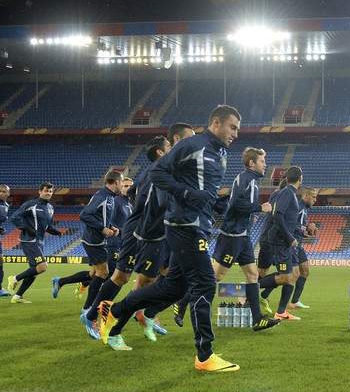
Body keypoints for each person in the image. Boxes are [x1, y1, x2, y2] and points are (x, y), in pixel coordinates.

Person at [99, 105, 242, 372]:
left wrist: (218, 204)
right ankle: (204, 356)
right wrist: (186, 195)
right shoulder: (193, 145)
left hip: (197, 224)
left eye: (238, 129)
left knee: (173, 288)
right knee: (205, 284)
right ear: (216, 122)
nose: (236, 133)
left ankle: (115, 311)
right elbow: (157, 173)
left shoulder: (220, 153)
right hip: (184, 225)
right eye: (232, 127)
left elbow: (204, 192)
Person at [91, 126, 195, 348]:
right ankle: (111, 325)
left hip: (165, 234)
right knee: (139, 283)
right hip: (151, 234)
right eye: (190, 138)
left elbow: (134, 193)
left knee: (170, 282)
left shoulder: (172, 168)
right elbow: (151, 203)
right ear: (173, 143)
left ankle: (146, 314)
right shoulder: (161, 169)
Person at [210, 146, 279, 331]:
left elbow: (239, 204)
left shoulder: (253, 180)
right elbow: (235, 203)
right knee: (217, 276)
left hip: (243, 236)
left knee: (252, 275)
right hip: (232, 235)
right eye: (262, 161)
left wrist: (250, 214)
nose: (265, 165)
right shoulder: (245, 178)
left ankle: (257, 319)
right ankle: (184, 300)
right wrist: (258, 208)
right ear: (251, 163)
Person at [71, 171, 123, 339]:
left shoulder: (108, 197)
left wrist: (111, 226)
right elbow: (84, 214)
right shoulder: (102, 196)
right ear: (114, 182)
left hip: (99, 240)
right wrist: (102, 229)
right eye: (121, 183)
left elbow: (102, 217)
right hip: (94, 240)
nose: (122, 186)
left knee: (100, 273)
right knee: (103, 273)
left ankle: (88, 309)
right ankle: (88, 312)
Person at [257, 166, 303, 321]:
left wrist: (297, 231)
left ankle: (281, 311)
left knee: (294, 274)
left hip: (286, 241)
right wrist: (290, 237)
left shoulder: (288, 193)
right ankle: (249, 289)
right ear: (300, 179)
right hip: (280, 241)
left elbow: (285, 217)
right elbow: (277, 215)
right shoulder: (288, 193)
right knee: (285, 277)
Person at [6, 182, 62, 303]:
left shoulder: (50, 208)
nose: (48, 193)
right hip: (29, 240)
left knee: (34, 272)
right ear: (40, 191)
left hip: (39, 241)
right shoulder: (31, 205)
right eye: (46, 190)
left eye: (50, 191)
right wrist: (27, 228)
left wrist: (56, 232)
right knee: (42, 267)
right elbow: (15, 218)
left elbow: (47, 226)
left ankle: (18, 296)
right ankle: (15, 278)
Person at [290, 188, 318, 309]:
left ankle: (295, 301)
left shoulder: (304, 209)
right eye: (313, 197)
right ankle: (257, 291)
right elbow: (289, 224)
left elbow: (299, 227)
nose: (315, 200)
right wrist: (304, 230)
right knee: (287, 276)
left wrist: (308, 229)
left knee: (305, 271)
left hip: (299, 245)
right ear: (305, 196)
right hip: (292, 244)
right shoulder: (298, 207)